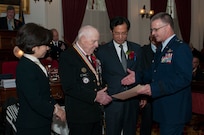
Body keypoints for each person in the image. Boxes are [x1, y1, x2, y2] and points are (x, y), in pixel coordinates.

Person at [131, 12, 193, 135]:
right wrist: (137, 76)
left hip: (174, 110)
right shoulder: (162, 48)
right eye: (152, 29)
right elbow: (154, 72)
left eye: (155, 29)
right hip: (164, 109)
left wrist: (154, 88)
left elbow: (183, 78)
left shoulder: (180, 48)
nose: (153, 33)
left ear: (167, 27)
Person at [95, 16, 145, 135]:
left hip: (133, 99)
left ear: (127, 31)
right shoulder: (102, 51)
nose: (120, 36)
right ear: (111, 31)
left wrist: (143, 94)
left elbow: (141, 72)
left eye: (124, 33)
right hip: (113, 100)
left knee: (131, 131)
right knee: (112, 131)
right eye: (117, 33)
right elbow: (98, 76)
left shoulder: (137, 49)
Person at [59, 25, 112, 135]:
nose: (97, 45)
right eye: (94, 41)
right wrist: (95, 96)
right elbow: (69, 87)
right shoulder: (68, 57)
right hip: (80, 116)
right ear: (82, 39)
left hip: (95, 113)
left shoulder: (92, 55)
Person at [15, 23, 66, 135]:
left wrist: (56, 105)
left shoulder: (35, 62)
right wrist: (55, 110)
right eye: (45, 45)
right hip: (31, 126)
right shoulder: (25, 67)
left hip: (41, 122)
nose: (48, 48)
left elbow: (44, 93)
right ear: (34, 47)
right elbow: (34, 99)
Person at [139, 35, 161, 135]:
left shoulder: (165, 50)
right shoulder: (142, 51)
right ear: (150, 38)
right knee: (146, 122)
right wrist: (143, 95)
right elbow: (140, 72)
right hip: (146, 95)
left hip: (162, 92)